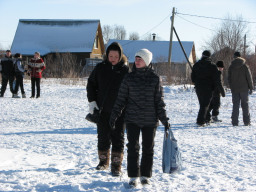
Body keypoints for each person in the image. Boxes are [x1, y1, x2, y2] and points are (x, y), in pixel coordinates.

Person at [110, 49, 170, 187]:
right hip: (132, 119)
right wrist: (114, 116)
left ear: (147, 61)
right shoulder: (129, 78)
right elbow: (121, 100)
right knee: (133, 148)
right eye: (136, 59)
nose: (137, 61)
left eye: (140, 59)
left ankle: (145, 175)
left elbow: (159, 102)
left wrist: (165, 119)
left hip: (150, 120)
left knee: (148, 148)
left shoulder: (155, 78)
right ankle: (133, 176)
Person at [86, 42, 129, 176]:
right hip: (103, 110)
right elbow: (91, 84)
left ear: (120, 56)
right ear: (107, 55)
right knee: (103, 137)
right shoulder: (100, 68)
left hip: (120, 112)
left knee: (118, 138)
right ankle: (103, 162)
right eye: (111, 56)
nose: (113, 59)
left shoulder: (125, 70)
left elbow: (131, 90)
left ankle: (116, 166)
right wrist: (92, 101)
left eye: (116, 56)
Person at [191, 50, 224, 126]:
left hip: (199, 88)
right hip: (208, 88)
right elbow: (217, 79)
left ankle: (205, 118)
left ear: (202, 55)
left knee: (203, 104)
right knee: (205, 105)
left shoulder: (196, 65)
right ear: (209, 57)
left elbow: (193, 78)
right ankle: (200, 121)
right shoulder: (212, 66)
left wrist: (197, 82)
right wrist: (218, 89)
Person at [228, 51, 254, 126]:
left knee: (235, 105)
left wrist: (231, 86)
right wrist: (251, 87)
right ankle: (246, 122)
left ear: (234, 57)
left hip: (235, 89)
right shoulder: (245, 66)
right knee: (245, 105)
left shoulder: (231, 66)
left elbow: (229, 78)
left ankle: (234, 122)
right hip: (244, 89)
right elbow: (249, 77)